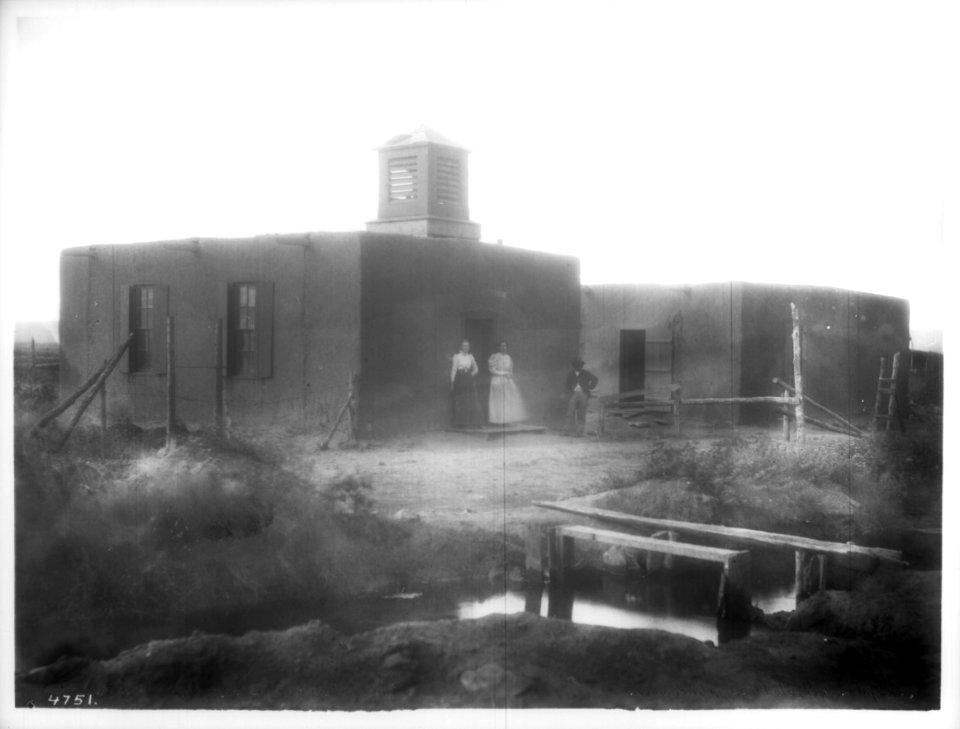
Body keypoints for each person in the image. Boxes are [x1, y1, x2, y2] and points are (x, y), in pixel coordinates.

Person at [487, 340, 527, 425]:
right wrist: (503, 373)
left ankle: (507, 420)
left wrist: (510, 374)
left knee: (508, 400)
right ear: (498, 347)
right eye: (501, 346)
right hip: (497, 380)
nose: (503, 347)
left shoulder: (509, 357)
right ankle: (498, 421)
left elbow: (511, 370)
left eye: (505, 346)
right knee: (499, 400)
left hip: (507, 380)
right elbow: (492, 370)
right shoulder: (495, 356)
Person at [450, 339, 482, 428]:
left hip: (468, 379)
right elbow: (454, 370)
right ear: (461, 347)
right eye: (464, 346)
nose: (466, 347)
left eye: (467, 346)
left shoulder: (470, 357)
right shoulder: (457, 356)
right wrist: (452, 382)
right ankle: (460, 423)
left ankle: (472, 423)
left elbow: (476, 369)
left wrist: (470, 375)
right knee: (461, 400)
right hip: (459, 379)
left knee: (471, 400)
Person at [564, 358, 599, 437]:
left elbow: (595, 379)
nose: (579, 366)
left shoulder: (586, 373)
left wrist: (589, 387)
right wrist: (568, 392)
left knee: (581, 413)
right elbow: (567, 384)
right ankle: (566, 431)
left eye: (581, 365)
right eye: (577, 364)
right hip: (573, 394)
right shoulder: (570, 374)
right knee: (570, 412)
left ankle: (579, 433)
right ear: (574, 365)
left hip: (583, 394)